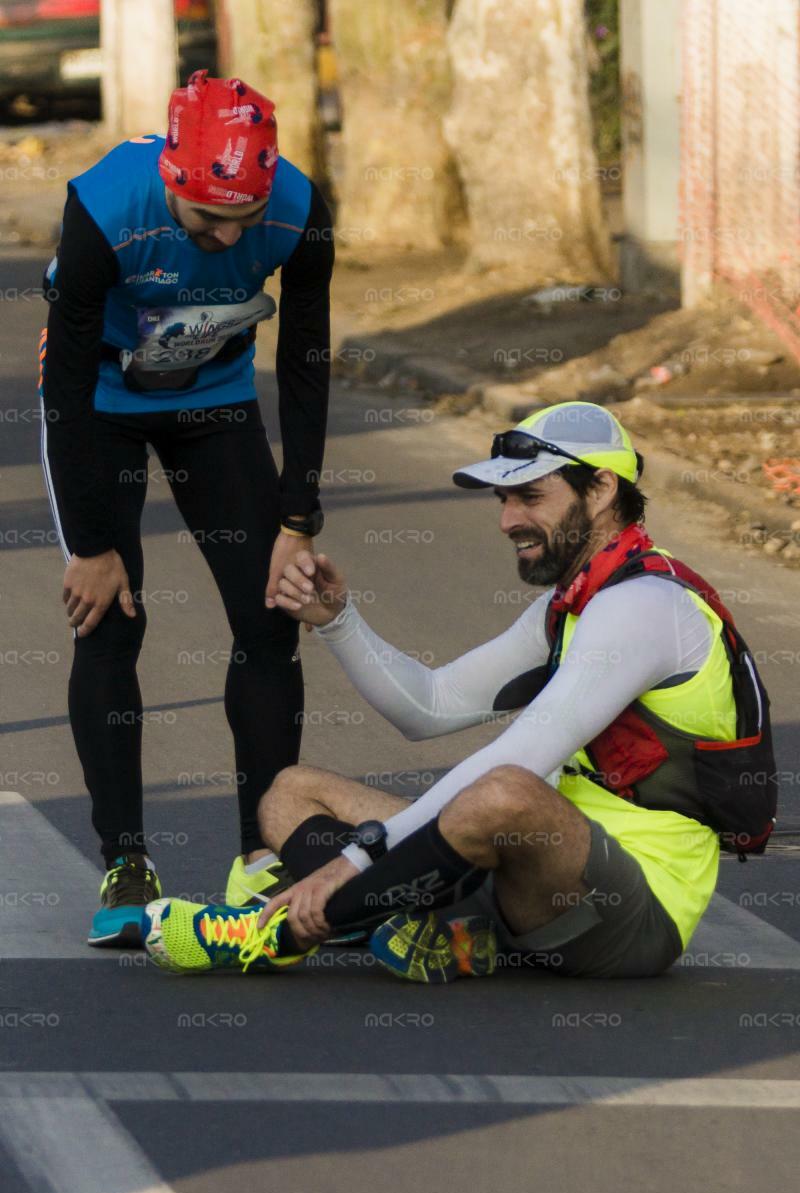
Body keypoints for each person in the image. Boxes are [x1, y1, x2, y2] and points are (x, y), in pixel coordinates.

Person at [140, 402, 777, 981]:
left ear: (604, 487)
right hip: (525, 876)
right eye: (503, 500)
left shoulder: (646, 606)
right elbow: (431, 707)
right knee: (290, 792)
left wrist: (353, 863)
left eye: (529, 496)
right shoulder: (575, 603)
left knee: (504, 790)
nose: (507, 521)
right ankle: (434, 926)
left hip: (628, 916)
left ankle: (274, 932)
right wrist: (339, 622)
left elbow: (521, 759)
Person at [39, 69, 334, 947]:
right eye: (206, 220)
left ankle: (263, 846)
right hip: (101, 404)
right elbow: (60, 381)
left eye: (242, 222)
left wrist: (298, 518)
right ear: (170, 176)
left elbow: (307, 358)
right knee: (110, 621)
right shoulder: (104, 203)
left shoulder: (300, 208)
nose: (224, 238)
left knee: (270, 616)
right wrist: (93, 544)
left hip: (214, 401)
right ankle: (125, 858)